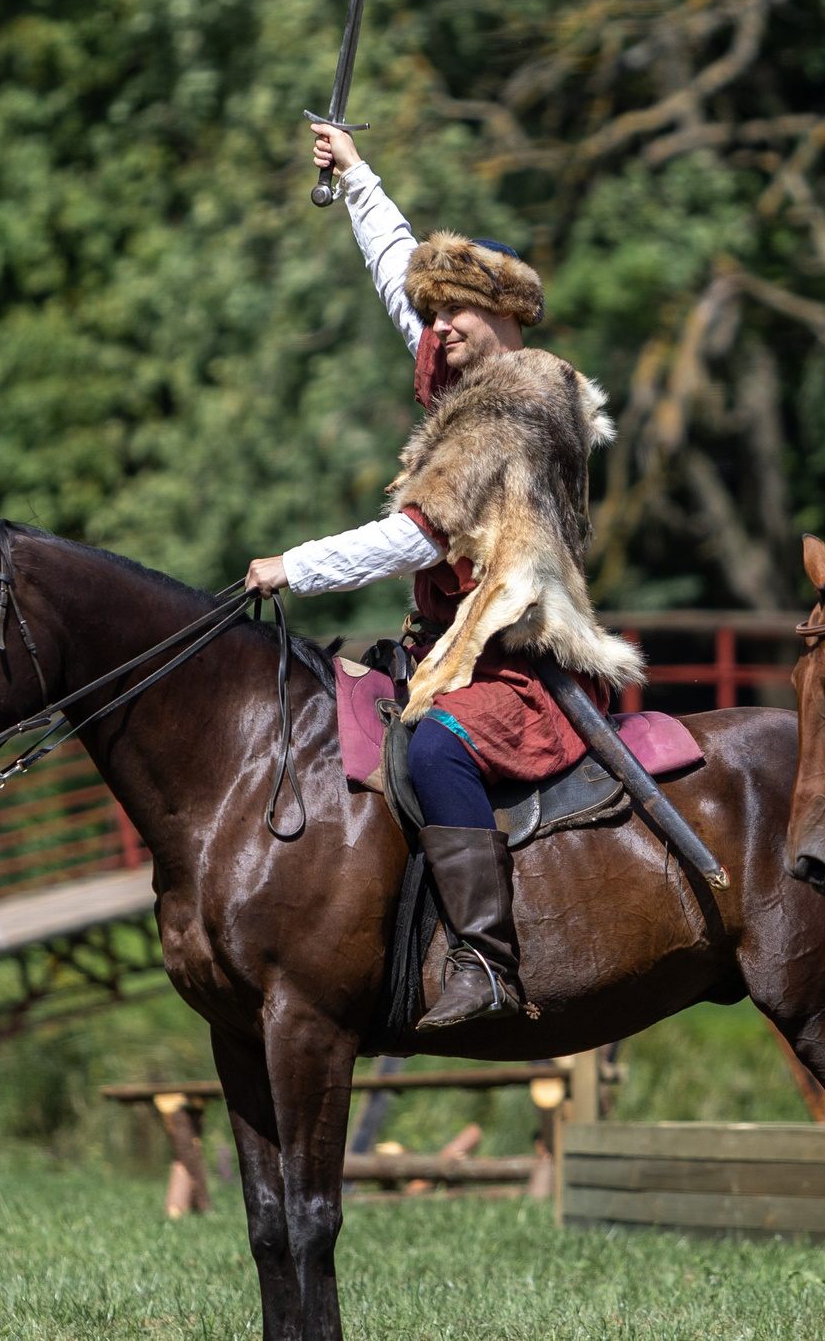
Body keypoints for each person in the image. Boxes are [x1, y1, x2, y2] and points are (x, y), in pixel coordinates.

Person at [243, 126, 641, 1026]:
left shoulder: (517, 408)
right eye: (436, 314)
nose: (438, 327)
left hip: (517, 665)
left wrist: (291, 566)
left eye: (456, 311)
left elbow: (418, 537)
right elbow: (401, 281)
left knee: (435, 745)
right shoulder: (468, 373)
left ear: (506, 316)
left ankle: (488, 959)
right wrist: (355, 175)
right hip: (446, 646)